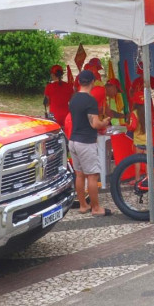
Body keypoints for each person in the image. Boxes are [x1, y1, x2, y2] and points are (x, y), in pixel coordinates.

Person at [69, 70, 113, 216]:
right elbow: (94, 124)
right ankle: (95, 208)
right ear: (92, 82)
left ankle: (83, 205)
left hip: (73, 141)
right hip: (86, 142)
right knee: (93, 176)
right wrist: (104, 122)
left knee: (79, 174)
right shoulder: (90, 100)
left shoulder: (74, 99)